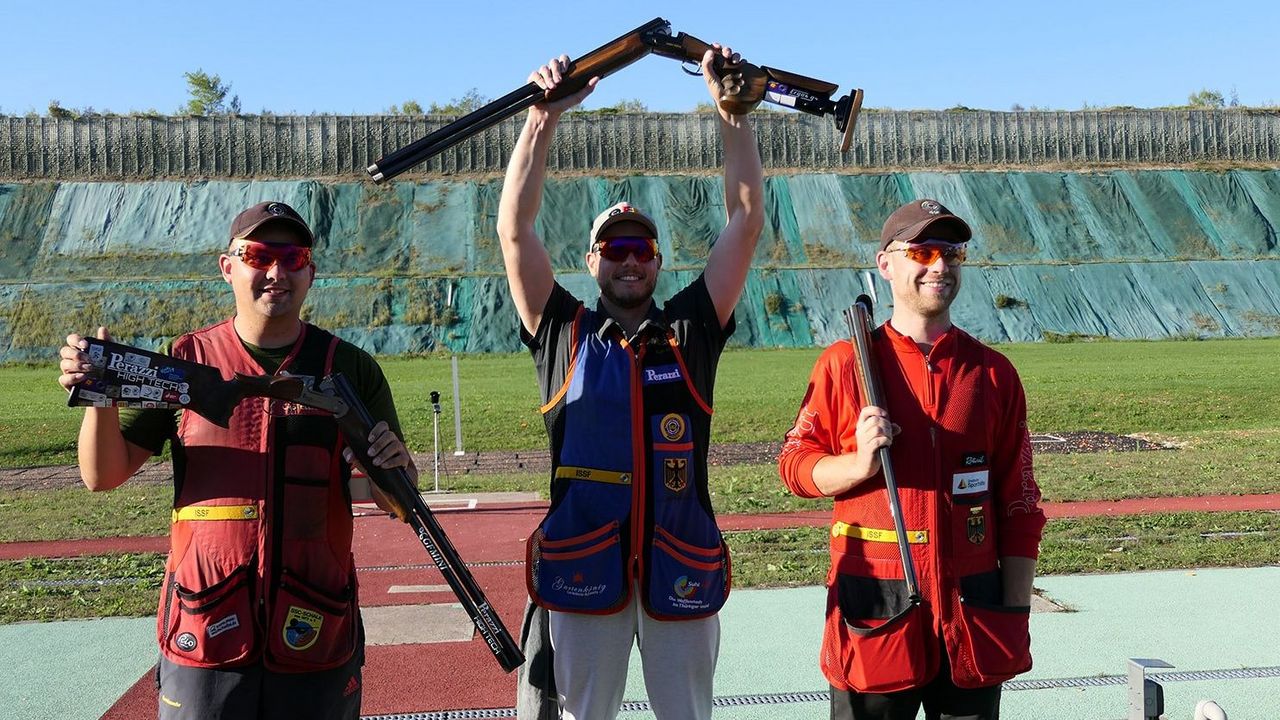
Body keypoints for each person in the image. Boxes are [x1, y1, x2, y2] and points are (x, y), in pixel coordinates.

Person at [56, 201, 417, 719]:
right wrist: (100, 395)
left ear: (310, 272)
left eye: (293, 258)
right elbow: (102, 475)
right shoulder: (184, 361)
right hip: (204, 627)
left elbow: (397, 499)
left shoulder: (350, 369)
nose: (276, 272)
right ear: (229, 266)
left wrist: (395, 469)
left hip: (315, 627)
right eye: (258, 255)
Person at [497, 44, 764, 720]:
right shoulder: (563, 330)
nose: (628, 260)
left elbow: (745, 220)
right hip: (585, 569)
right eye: (613, 248)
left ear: (657, 261)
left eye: (641, 248)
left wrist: (731, 115)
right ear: (591, 260)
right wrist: (541, 118)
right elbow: (515, 229)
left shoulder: (692, 330)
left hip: (681, 565)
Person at [778, 199, 1046, 720]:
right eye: (922, 251)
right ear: (886, 264)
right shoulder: (844, 364)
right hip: (875, 608)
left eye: (951, 253)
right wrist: (857, 464)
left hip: (973, 613)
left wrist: (1012, 611)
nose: (939, 266)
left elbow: (1020, 504)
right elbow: (795, 465)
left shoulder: (993, 374)